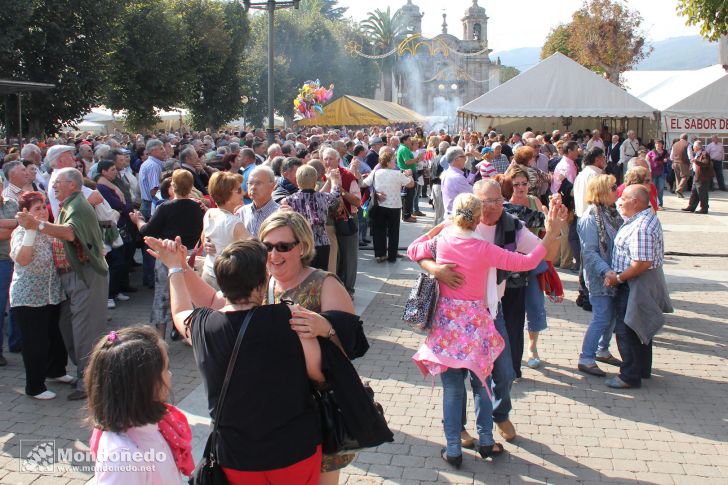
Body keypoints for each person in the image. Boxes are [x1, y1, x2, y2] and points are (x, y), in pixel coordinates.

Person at [407, 192, 560, 467]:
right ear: (478, 219)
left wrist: (438, 231)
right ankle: (487, 441)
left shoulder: (443, 239)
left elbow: (413, 249)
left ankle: (453, 448)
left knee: (452, 388)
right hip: (478, 323)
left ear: (455, 216)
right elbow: (527, 262)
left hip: (446, 324)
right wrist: (551, 233)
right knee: (482, 383)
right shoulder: (484, 249)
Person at [16, 167, 108, 401]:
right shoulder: (70, 203)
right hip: (75, 277)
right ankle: (86, 376)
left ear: (73, 185)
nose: (53, 186)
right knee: (73, 329)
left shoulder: (76, 205)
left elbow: (69, 233)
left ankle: (89, 384)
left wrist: (35, 225)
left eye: (58, 182)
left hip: (85, 275)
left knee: (86, 331)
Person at [86, 326, 192, 484]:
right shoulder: (123, 456)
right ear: (142, 386)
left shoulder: (154, 425)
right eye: (165, 368)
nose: (170, 375)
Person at [604, 185, 672, 389]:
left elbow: (641, 263)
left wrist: (619, 278)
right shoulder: (641, 218)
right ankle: (642, 368)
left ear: (635, 202)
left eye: (623, 198)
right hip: (638, 280)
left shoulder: (641, 226)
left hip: (636, 282)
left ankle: (629, 375)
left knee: (628, 328)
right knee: (638, 325)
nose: (619, 201)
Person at [9, 191, 72, 399]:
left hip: (52, 294)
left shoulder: (48, 230)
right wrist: (29, 230)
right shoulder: (20, 232)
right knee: (35, 342)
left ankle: (56, 371)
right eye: (38, 208)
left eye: (44, 206)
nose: (43, 211)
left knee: (55, 337)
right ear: (25, 213)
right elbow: (23, 259)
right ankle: (34, 386)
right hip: (29, 297)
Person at [129, 170, 205, 339]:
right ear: (191, 186)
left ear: (172, 187)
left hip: (168, 257)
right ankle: (191, 335)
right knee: (192, 296)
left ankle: (160, 338)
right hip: (192, 256)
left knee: (163, 297)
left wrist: (138, 220)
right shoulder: (198, 206)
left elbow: (146, 230)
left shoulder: (165, 207)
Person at [576, 175, 623, 377]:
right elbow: (590, 252)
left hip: (614, 274)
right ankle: (586, 357)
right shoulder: (590, 218)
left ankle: (603, 350)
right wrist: (606, 270)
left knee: (611, 316)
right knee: (602, 317)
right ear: (602, 191)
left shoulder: (612, 213)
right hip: (599, 276)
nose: (617, 190)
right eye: (613, 188)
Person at [504, 166, 549, 370]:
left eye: (524, 183)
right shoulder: (506, 206)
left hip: (534, 259)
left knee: (534, 303)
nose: (520, 188)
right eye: (516, 184)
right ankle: (512, 350)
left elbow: (545, 227)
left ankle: (532, 347)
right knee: (512, 309)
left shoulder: (534, 201)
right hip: (512, 263)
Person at [361, 147, 414, 263]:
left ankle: (380, 255)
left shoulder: (375, 172)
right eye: (394, 161)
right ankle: (392, 256)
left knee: (379, 230)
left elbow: (363, 184)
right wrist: (409, 175)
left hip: (380, 205)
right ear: (389, 162)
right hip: (394, 206)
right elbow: (410, 185)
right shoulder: (397, 174)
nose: (395, 163)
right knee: (393, 232)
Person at [285, 165, 341, 271]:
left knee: (301, 275)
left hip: (300, 244)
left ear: (297, 181)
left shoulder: (290, 200)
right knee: (320, 276)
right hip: (322, 244)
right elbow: (336, 195)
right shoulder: (323, 197)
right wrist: (334, 180)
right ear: (315, 181)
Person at [321, 148, 361, 297]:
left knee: (348, 256)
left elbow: (357, 202)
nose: (327, 162)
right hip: (327, 221)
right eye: (325, 158)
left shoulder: (348, 176)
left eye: (331, 158)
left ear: (338, 160)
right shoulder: (320, 176)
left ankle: (348, 289)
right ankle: (334, 288)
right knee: (333, 256)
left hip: (347, 218)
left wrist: (340, 188)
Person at [201, 171, 251, 289]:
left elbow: (204, 237)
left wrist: (206, 244)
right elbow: (257, 250)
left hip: (208, 272)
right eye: (238, 190)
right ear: (227, 195)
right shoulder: (234, 222)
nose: (243, 193)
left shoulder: (209, 212)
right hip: (226, 279)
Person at [94, 160, 133, 309]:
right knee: (114, 262)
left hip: (116, 225)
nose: (115, 172)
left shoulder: (112, 184)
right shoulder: (101, 188)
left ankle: (116, 291)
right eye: (111, 170)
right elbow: (117, 205)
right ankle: (109, 295)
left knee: (120, 260)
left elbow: (123, 204)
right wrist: (122, 208)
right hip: (107, 228)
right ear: (103, 172)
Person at [239, 165, 279, 237]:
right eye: (250, 183)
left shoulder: (279, 214)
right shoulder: (242, 212)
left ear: (272, 185)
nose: (253, 187)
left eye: (258, 183)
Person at [441, 146, 474, 216]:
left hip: (452, 214)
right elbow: (472, 198)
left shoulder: (446, 173)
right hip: (459, 217)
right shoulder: (457, 177)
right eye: (464, 156)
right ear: (457, 159)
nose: (465, 159)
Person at [682, 140, 713, 214]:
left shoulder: (704, 154)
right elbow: (696, 163)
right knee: (694, 192)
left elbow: (705, 163)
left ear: (697, 147)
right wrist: (693, 166)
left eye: (694, 147)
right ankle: (691, 206)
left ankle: (704, 208)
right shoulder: (698, 154)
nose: (693, 148)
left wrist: (695, 161)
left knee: (702, 193)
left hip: (702, 177)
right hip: (696, 175)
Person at [397, 135, 419, 222]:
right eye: (409, 139)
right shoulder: (404, 149)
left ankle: (408, 214)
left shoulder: (405, 148)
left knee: (410, 195)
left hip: (408, 172)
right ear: (404, 140)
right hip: (407, 173)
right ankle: (406, 216)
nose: (410, 141)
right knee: (407, 195)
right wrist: (417, 159)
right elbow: (407, 161)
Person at [647, 140, 669, 207]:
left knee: (661, 188)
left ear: (662, 145)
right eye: (656, 144)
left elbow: (668, 159)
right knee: (653, 188)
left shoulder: (665, 152)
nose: (658, 145)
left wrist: (666, 160)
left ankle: (660, 203)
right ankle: (653, 202)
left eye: (659, 144)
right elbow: (646, 160)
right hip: (653, 172)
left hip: (661, 172)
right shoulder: (651, 152)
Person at [670, 133, 690, 198]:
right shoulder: (688, 144)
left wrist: (673, 162)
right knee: (685, 176)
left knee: (677, 178)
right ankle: (679, 190)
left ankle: (679, 194)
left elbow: (671, 156)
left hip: (675, 162)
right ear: (686, 138)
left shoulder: (674, 144)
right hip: (683, 162)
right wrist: (691, 162)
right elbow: (689, 155)